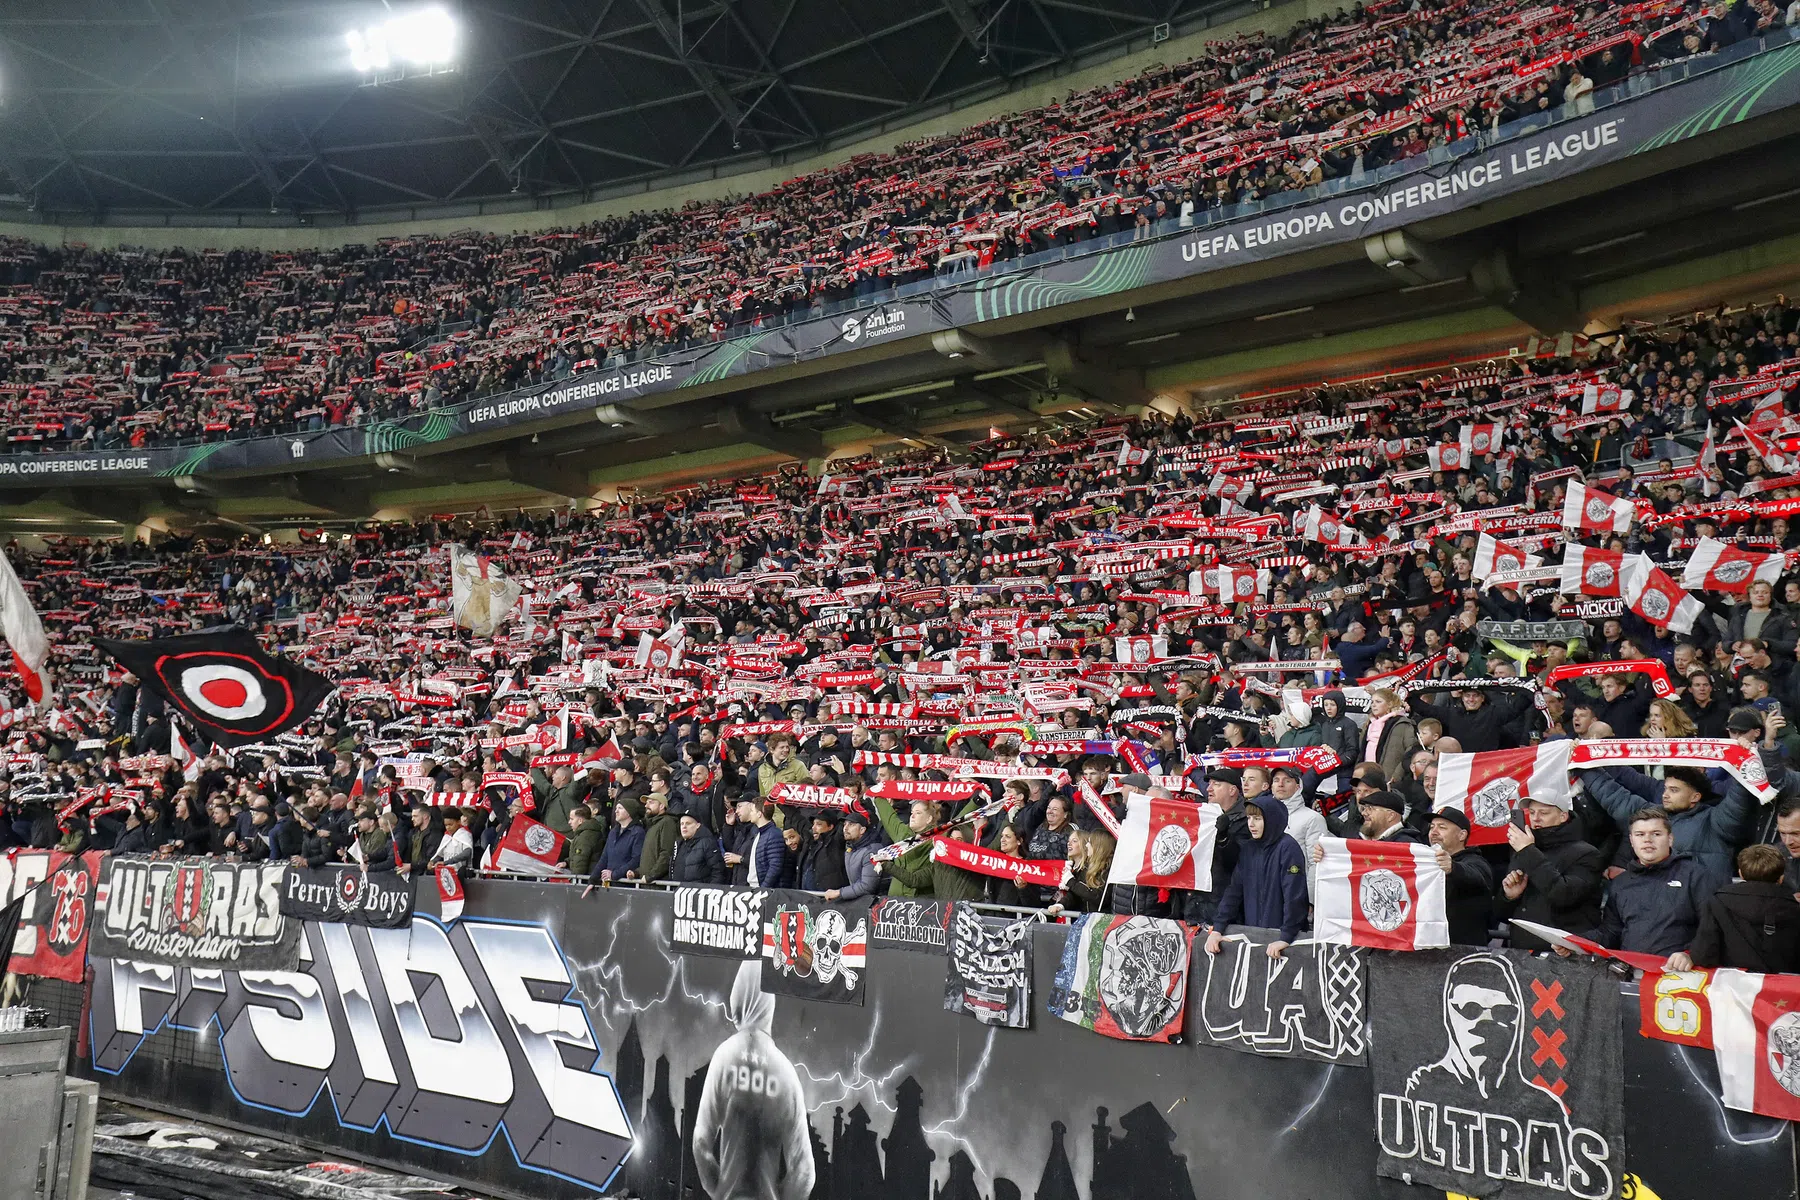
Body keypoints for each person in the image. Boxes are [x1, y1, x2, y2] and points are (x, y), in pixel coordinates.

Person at [1579, 708, 1778, 876]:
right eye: (1666, 788)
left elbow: (1741, 792)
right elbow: (1612, 795)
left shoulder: (1716, 820)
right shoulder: (1652, 813)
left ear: (1695, 796)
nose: (1665, 794)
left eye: (1674, 790)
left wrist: (1755, 753)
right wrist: (1581, 761)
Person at [692, 961, 814, 1200]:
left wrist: (721, 1193)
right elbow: (805, 1172)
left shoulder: (725, 1056)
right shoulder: (787, 1074)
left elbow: (701, 1143)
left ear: (741, 995)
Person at [1595, 808, 1720, 958]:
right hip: (1630, 973)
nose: (1647, 839)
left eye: (1656, 834)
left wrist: (1691, 955)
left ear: (1670, 839)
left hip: (1679, 975)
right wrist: (1571, 942)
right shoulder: (1620, 883)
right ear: (1631, 841)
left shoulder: (1695, 875)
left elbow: (1713, 927)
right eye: (1640, 834)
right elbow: (1610, 933)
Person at [1500, 795, 1606, 950]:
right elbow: (1501, 916)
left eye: (1544, 813)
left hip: (1565, 954)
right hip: (1522, 954)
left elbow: (1563, 895)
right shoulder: (1522, 850)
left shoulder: (1587, 853)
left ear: (1563, 816)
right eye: (1531, 812)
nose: (1536, 819)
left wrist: (1528, 851)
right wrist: (1509, 896)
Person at [1208, 793, 1308, 957]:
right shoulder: (1248, 848)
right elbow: (1234, 892)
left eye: (1257, 819)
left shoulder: (1288, 847)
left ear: (1271, 819)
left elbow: (1295, 896)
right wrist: (1217, 928)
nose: (1251, 824)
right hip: (1255, 934)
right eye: (1249, 818)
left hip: (1284, 940)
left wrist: (1286, 936)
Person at [1686, 843, 1800, 972]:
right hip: (1781, 988)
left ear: (1741, 874)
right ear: (1781, 878)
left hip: (1733, 987)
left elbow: (1703, 955)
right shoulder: (1794, 908)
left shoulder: (1718, 902)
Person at [1429, 808, 1495, 947]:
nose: (1434, 832)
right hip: (1431, 946)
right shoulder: (1427, 863)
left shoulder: (1476, 861)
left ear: (1461, 835)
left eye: (1442, 827)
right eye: (1432, 827)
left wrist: (1453, 868)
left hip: (1464, 951)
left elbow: (1477, 876)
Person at [738, 795, 794, 889]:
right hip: (756, 888)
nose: (750, 813)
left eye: (752, 811)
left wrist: (763, 889)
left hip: (767, 891)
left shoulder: (773, 835)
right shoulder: (760, 834)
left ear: (759, 814)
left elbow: (775, 867)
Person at [827, 809, 881, 902]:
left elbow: (867, 886)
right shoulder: (850, 848)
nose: (845, 828)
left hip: (874, 905)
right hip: (860, 902)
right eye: (845, 824)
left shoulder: (872, 851)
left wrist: (840, 893)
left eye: (851, 824)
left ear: (862, 830)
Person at [592, 799, 646, 885]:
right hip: (609, 883)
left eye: (620, 808)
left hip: (625, 884)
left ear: (629, 812)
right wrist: (593, 879)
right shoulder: (613, 831)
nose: (616, 811)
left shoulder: (638, 832)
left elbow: (636, 859)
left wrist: (614, 874)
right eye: (616, 808)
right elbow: (604, 857)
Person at [797, 810, 849, 892]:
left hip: (827, 900)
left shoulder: (836, 842)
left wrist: (850, 803)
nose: (813, 828)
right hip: (806, 898)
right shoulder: (811, 843)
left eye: (819, 824)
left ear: (830, 827)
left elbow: (842, 822)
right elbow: (795, 818)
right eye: (813, 824)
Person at [670, 812, 727, 883]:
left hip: (700, 892)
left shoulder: (707, 843)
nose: (684, 826)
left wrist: (709, 891)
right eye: (682, 824)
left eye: (688, 823)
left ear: (698, 825)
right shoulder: (678, 844)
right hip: (677, 891)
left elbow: (718, 871)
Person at [634, 790, 677, 881]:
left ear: (661, 806)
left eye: (651, 802)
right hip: (648, 882)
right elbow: (650, 856)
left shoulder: (667, 822)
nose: (646, 806)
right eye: (646, 803)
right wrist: (637, 872)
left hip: (657, 883)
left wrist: (651, 876)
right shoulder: (652, 824)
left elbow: (666, 853)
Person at [565, 804, 604, 877]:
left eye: (572, 819)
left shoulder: (585, 836)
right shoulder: (584, 833)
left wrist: (574, 880)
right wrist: (567, 862)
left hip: (584, 881)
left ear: (580, 820)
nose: (569, 822)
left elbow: (580, 863)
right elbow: (578, 856)